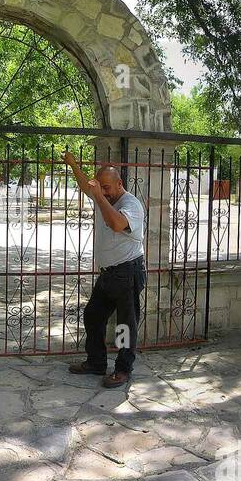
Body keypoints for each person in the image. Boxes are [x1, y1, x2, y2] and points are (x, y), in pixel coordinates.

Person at [62, 152, 145, 388]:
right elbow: (83, 184)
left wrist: (99, 196)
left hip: (127, 272)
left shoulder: (131, 204)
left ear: (120, 184)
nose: (104, 191)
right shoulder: (103, 196)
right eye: (101, 187)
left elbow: (117, 224)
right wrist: (74, 165)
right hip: (108, 273)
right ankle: (97, 362)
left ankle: (122, 369)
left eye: (108, 187)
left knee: (124, 325)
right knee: (93, 315)